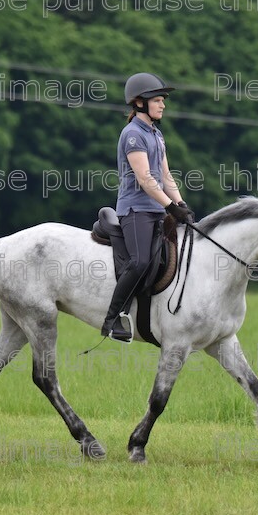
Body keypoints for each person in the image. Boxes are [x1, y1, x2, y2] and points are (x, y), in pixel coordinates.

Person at [101, 72, 195, 342]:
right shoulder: (132, 135)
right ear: (140, 103)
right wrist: (170, 207)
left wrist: (180, 203)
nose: (163, 104)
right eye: (158, 100)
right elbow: (145, 180)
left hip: (156, 209)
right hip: (135, 210)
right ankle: (112, 318)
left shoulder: (156, 134)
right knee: (140, 261)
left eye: (163, 100)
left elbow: (165, 177)